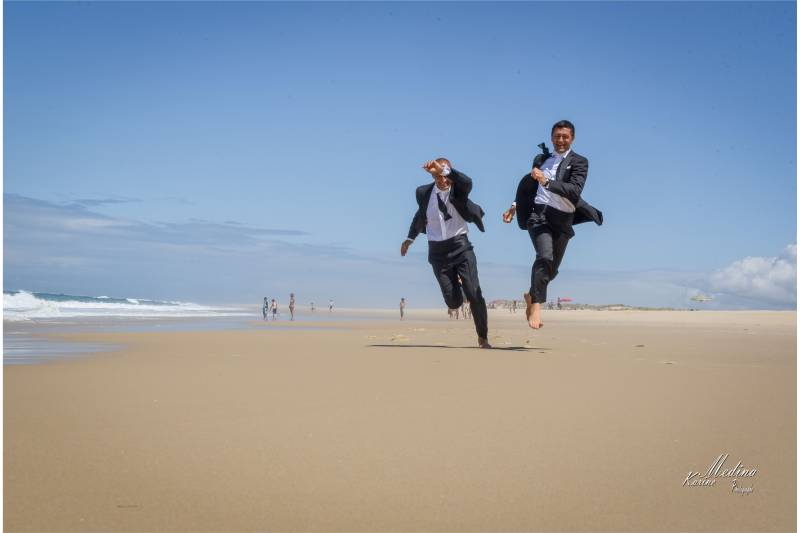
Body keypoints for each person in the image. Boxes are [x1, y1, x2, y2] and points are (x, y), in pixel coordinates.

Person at [503, 120, 603, 329]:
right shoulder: (541, 159)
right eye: (557, 136)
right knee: (544, 256)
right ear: (552, 137)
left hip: (563, 219)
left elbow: (574, 190)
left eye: (565, 136)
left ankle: (531, 295)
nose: (561, 140)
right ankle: (537, 307)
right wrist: (514, 206)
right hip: (538, 216)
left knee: (552, 271)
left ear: (572, 139)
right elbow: (530, 188)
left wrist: (546, 182)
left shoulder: (580, 162)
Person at [401, 158, 491, 348]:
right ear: (432, 175)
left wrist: (446, 170)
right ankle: (458, 286)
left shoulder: (459, 190)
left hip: (461, 247)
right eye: (437, 174)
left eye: (444, 173)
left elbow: (467, 182)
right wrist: (410, 238)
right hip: (437, 253)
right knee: (453, 302)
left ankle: (482, 337)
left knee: (474, 293)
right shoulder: (423, 193)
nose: (441, 179)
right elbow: (420, 215)